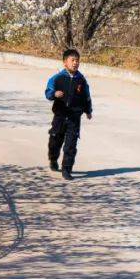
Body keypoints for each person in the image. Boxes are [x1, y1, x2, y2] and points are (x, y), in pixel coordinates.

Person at [44, 48, 93, 180]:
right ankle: (53, 159)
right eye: (73, 60)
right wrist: (54, 94)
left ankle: (66, 169)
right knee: (55, 139)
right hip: (60, 116)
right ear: (65, 62)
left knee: (71, 145)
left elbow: (87, 97)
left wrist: (88, 110)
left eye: (77, 61)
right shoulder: (57, 78)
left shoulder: (81, 80)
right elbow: (48, 92)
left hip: (74, 118)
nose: (75, 63)